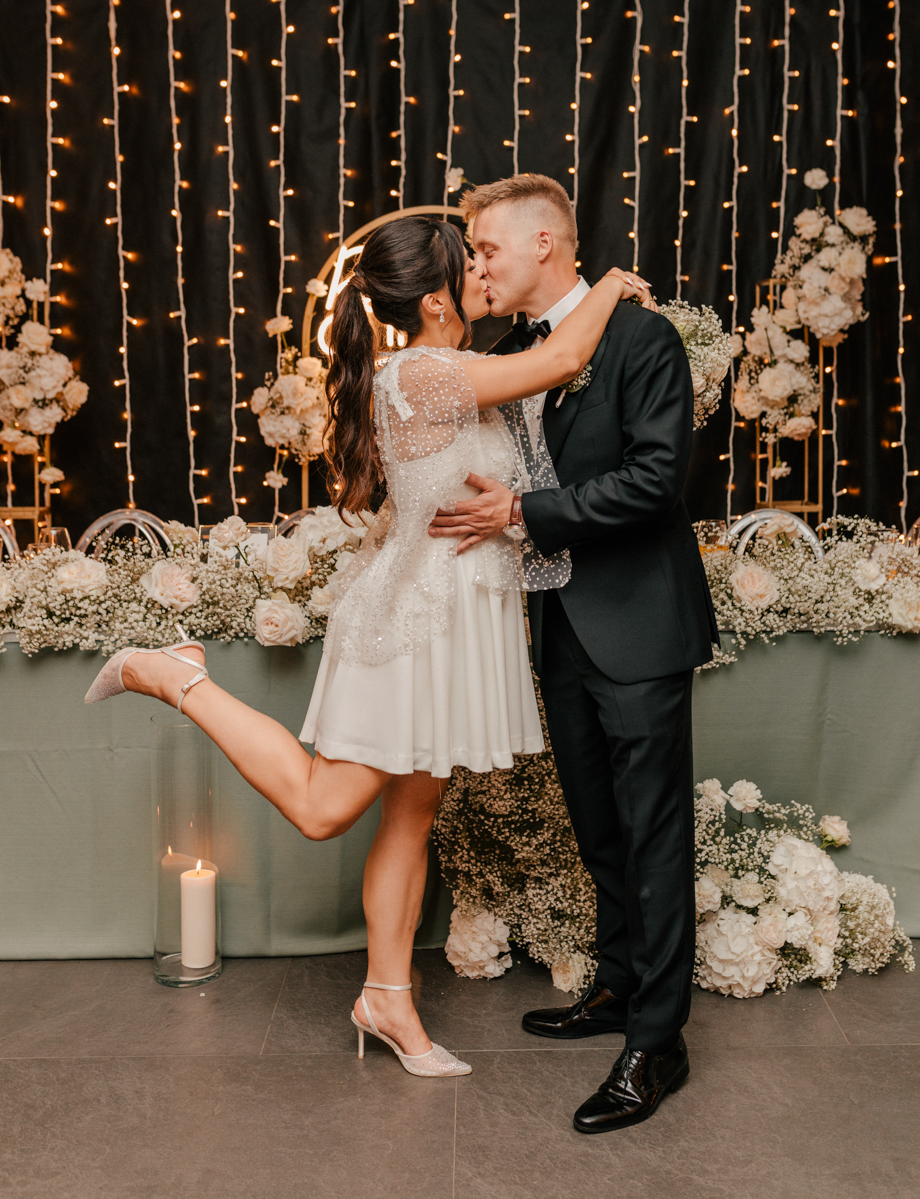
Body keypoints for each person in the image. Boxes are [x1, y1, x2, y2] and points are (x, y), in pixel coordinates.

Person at [83, 214, 649, 1082]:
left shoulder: (455, 368)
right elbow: (565, 358)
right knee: (323, 809)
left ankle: (387, 998)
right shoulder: (422, 372)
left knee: (412, 816)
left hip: (452, 622)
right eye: (470, 263)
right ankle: (170, 675)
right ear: (435, 300)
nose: (484, 272)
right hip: (412, 628)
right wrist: (609, 283)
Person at [428, 174, 719, 1134]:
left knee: (653, 835)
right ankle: (619, 985)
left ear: (544, 244)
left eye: (488, 250)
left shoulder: (643, 339)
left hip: (637, 623)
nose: (479, 266)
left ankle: (658, 1041)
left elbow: (654, 480)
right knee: (599, 828)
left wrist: (524, 511)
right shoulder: (514, 352)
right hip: (558, 625)